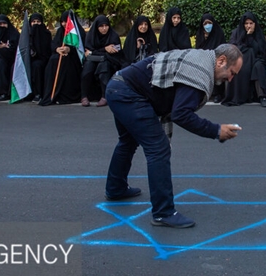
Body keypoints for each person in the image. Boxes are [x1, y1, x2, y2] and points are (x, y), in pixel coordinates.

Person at [103, 44, 243, 228]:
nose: (230, 79)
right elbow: (181, 114)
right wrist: (216, 131)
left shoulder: (200, 58)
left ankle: (115, 188)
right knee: (158, 148)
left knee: (128, 140)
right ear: (221, 61)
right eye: (232, 73)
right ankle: (163, 213)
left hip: (118, 86)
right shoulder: (199, 72)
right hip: (128, 93)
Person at [222, 11, 266, 107]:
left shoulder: (258, 34)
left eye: (251, 23)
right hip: (242, 60)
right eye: (246, 23)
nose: (249, 26)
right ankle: (240, 96)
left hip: (257, 59)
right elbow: (234, 48)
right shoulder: (237, 33)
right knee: (239, 68)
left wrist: (249, 37)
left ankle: (262, 97)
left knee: (259, 67)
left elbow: (260, 50)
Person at [39, 11, 83, 106]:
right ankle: (52, 93)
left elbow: (80, 48)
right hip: (58, 57)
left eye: (66, 22)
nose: (63, 24)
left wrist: (69, 49)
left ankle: (65, 95)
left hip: (73, 60)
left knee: (65, 64)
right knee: (53, 61)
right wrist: (57, 49)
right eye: (62, 21)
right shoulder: (60, 31)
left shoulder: (79, 32)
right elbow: (54, 44)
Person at [82, 15, 125, 107]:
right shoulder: (91, 36)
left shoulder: (113, 36)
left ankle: (104, 96)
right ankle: (84, 96)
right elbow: (88, 52)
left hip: (110, 60)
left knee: (104, 67)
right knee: (88, 67)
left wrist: (95, 52)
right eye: (101, 26)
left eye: (106, 26)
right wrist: (105, 49)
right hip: (94, 60)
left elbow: (115, 52)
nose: (104, 28)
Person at [195, 13, 226, 101]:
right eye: (205, 24)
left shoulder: (218, 33)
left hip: (216, 58)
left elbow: (222, 48)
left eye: (209, 23)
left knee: (216, 68)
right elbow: (198, 49)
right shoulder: (200, 34)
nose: (207, 25)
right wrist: (205, 39)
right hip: (203, 58)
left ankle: (218, 94)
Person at [0, 14, 19, 101]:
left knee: (1, 66)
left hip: (11, 56)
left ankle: (5, 92)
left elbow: (15, 46)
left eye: (4, 24)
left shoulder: (13, 32)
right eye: (0, 24)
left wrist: (6, 46)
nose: (2, 26)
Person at [27, 13, 52, 101]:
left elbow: (47, 50)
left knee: (37, 66)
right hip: (28, 59)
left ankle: (37, 93)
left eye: (38, 22)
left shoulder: (46, 33)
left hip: (42, 58)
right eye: (33, 22)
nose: (36, 24)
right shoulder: (26, 34)